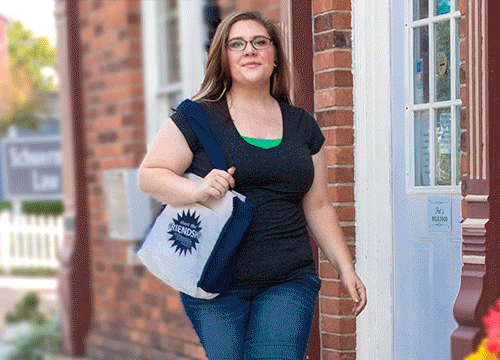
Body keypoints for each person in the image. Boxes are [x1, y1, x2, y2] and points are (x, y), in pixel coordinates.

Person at [137, 10, 367, 359]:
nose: (250, 50)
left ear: (274, 56)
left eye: (260, 42)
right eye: (237, 44)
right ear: (223, 59)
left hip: (288, 278)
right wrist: (197, 190)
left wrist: (346, 268)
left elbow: (317, 204)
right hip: (214, 282)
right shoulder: (197, 117)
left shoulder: (302, 125)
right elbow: (150, 176)